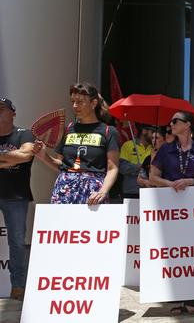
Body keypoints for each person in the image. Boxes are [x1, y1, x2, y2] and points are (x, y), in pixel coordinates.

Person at [149, 111, 194, 315]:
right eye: (171, 120)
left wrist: (190, 181)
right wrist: (171, 184)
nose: (171, 123)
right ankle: (178, 299)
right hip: (171, 207)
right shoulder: (166, 149)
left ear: (188, 125)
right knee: (175, 252)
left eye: (175, 120)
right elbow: (153, 176)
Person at [34, 83, 120, 205]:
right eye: (73, 101)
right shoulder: (67, 129)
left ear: (93, 103)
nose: (75, 106)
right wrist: (43, 156)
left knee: (90, 225)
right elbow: (61, 165)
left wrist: (103, 191)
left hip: (94, 193)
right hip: (64, 189)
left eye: (80, 102)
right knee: (62, 225)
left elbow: (113, 168)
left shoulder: (108, 131)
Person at [0, 97, 35, 301]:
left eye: (2, 109)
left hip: (16, 197)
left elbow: (26, 155)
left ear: (13, 113)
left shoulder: (24, 133)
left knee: (17, 243)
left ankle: (18, 287)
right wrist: (10, 158)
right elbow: (19, 156)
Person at [118, 124, 154, 198]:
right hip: (132, 191)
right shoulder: (128, 145)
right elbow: (121, 167)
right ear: (144, 131)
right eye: (152, 131)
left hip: (151, 191)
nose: (154, 134)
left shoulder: (155, 147)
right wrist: (139, 167)